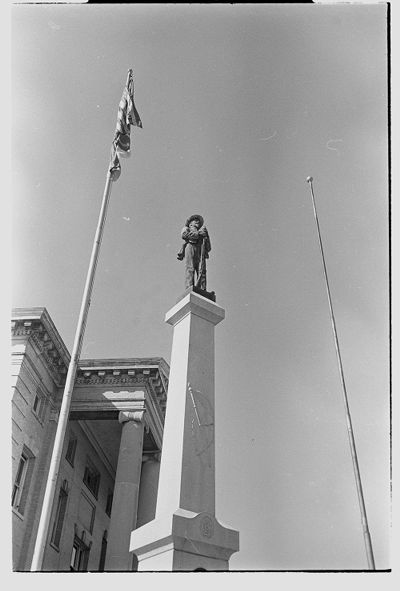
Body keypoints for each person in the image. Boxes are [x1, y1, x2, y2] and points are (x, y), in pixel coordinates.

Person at [177, 215, 211, 291]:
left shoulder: (202, 232)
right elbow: (184, 235)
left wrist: (206, 236)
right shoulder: (187, 228)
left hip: (200, 251)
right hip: (190, 247)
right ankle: (189, 287)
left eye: (198, 220)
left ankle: (202, 289)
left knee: (202, 271)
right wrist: (198, 234)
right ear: (190, 223)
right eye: (195, 220)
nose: (197, 221)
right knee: (190, 268)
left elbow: (208, 248)